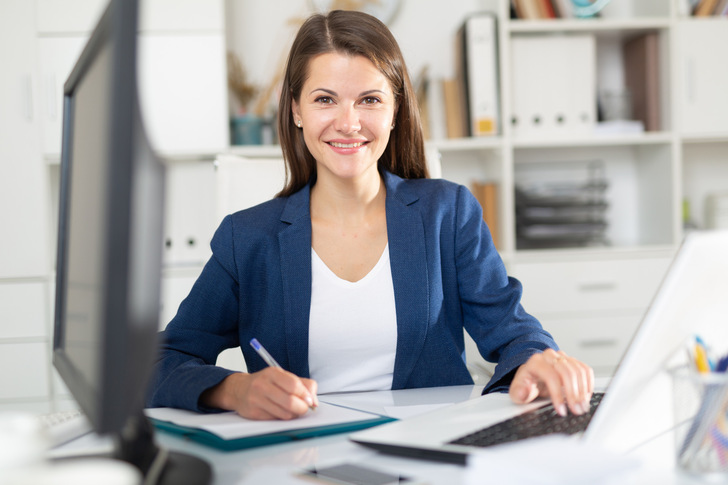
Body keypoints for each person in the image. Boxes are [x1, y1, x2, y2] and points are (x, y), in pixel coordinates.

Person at [147, 10, 594, 421]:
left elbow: (516, 333)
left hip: (426, 456)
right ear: (296, 110)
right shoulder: (246, 238)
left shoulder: (448, 213)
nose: (348, 123)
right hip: (300, 462)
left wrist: (539, 357)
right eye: (325, 99)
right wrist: (236, 390)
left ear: (396, 110)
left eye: (369, 100)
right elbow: (163, 361)